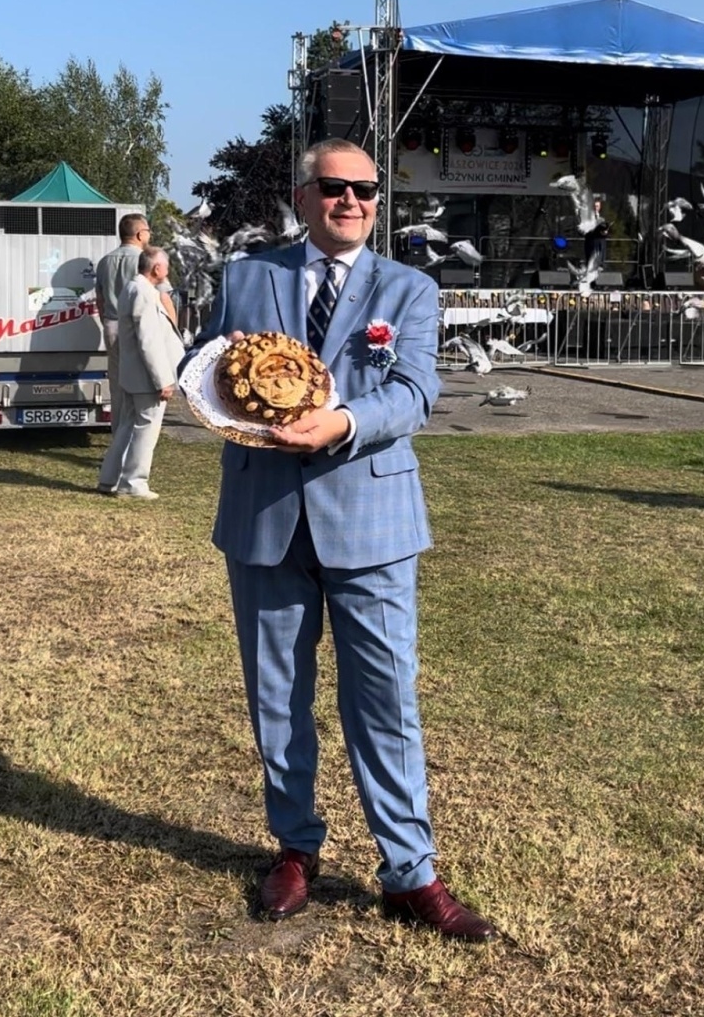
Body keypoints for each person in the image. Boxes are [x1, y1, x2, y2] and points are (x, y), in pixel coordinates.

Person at [184, 138, 497, 941]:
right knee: (275, 696)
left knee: (384, 701)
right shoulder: (246, 277)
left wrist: (343, 421)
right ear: (303, 196)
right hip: (263, 518)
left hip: (372, 523)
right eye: (333, 186)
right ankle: (295, 848)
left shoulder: (410, 288)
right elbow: (207, 361)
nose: (351, 200)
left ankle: (409, 873)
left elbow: (415, 391)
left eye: (365, 188)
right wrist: (212, 392)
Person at [97, 247, 184, 499]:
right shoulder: (144, 293)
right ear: (157, 268)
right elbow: (149, 341)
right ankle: (133, 483)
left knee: (127, 426)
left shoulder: (134, 288)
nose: (168, 270)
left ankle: (110, 479)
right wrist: (162, 379)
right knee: (146, 428)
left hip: (133, 373)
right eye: (166, 265)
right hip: (145, 376)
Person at [95, 214, 152, 432]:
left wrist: (106, 321)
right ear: (139, 234)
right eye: (148, 231)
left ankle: (118, 431)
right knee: (140, 382)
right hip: (136, 326)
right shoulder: (144, 260)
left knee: (117, 384)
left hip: (111, 323)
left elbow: (100, 299)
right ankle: (136, 432)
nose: (149, 235)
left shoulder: (105, 261)